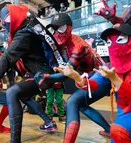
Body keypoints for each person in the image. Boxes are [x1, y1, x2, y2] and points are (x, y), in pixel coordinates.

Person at [55, 24, 131, 143]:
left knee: (117, 131)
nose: (114, 45)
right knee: (117, 136)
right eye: (109, 42)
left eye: (120, 40)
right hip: (123, 113)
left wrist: (115, 79)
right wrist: (77, 77)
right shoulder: (109, 66)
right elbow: (94, 84)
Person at [0, 3, 58, 142]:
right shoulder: (25, 24)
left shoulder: (24, 34)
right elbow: (2, 14)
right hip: (39, 72)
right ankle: (48, 121)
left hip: (44, 75)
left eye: (6, 20)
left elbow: (7, 57)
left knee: (12, 92)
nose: (5, 24)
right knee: (23, 95)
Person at [34, 13, 111, 141]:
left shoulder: (77, 46)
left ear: (69, 27)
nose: (58, 33)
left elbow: (65, 75)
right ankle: (109, 130)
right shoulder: (67, 44)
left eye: (61, 28)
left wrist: (47, 77)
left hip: (101, 75)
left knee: (72, 102)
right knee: (81, 104)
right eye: (54, 29)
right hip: (93, 76)